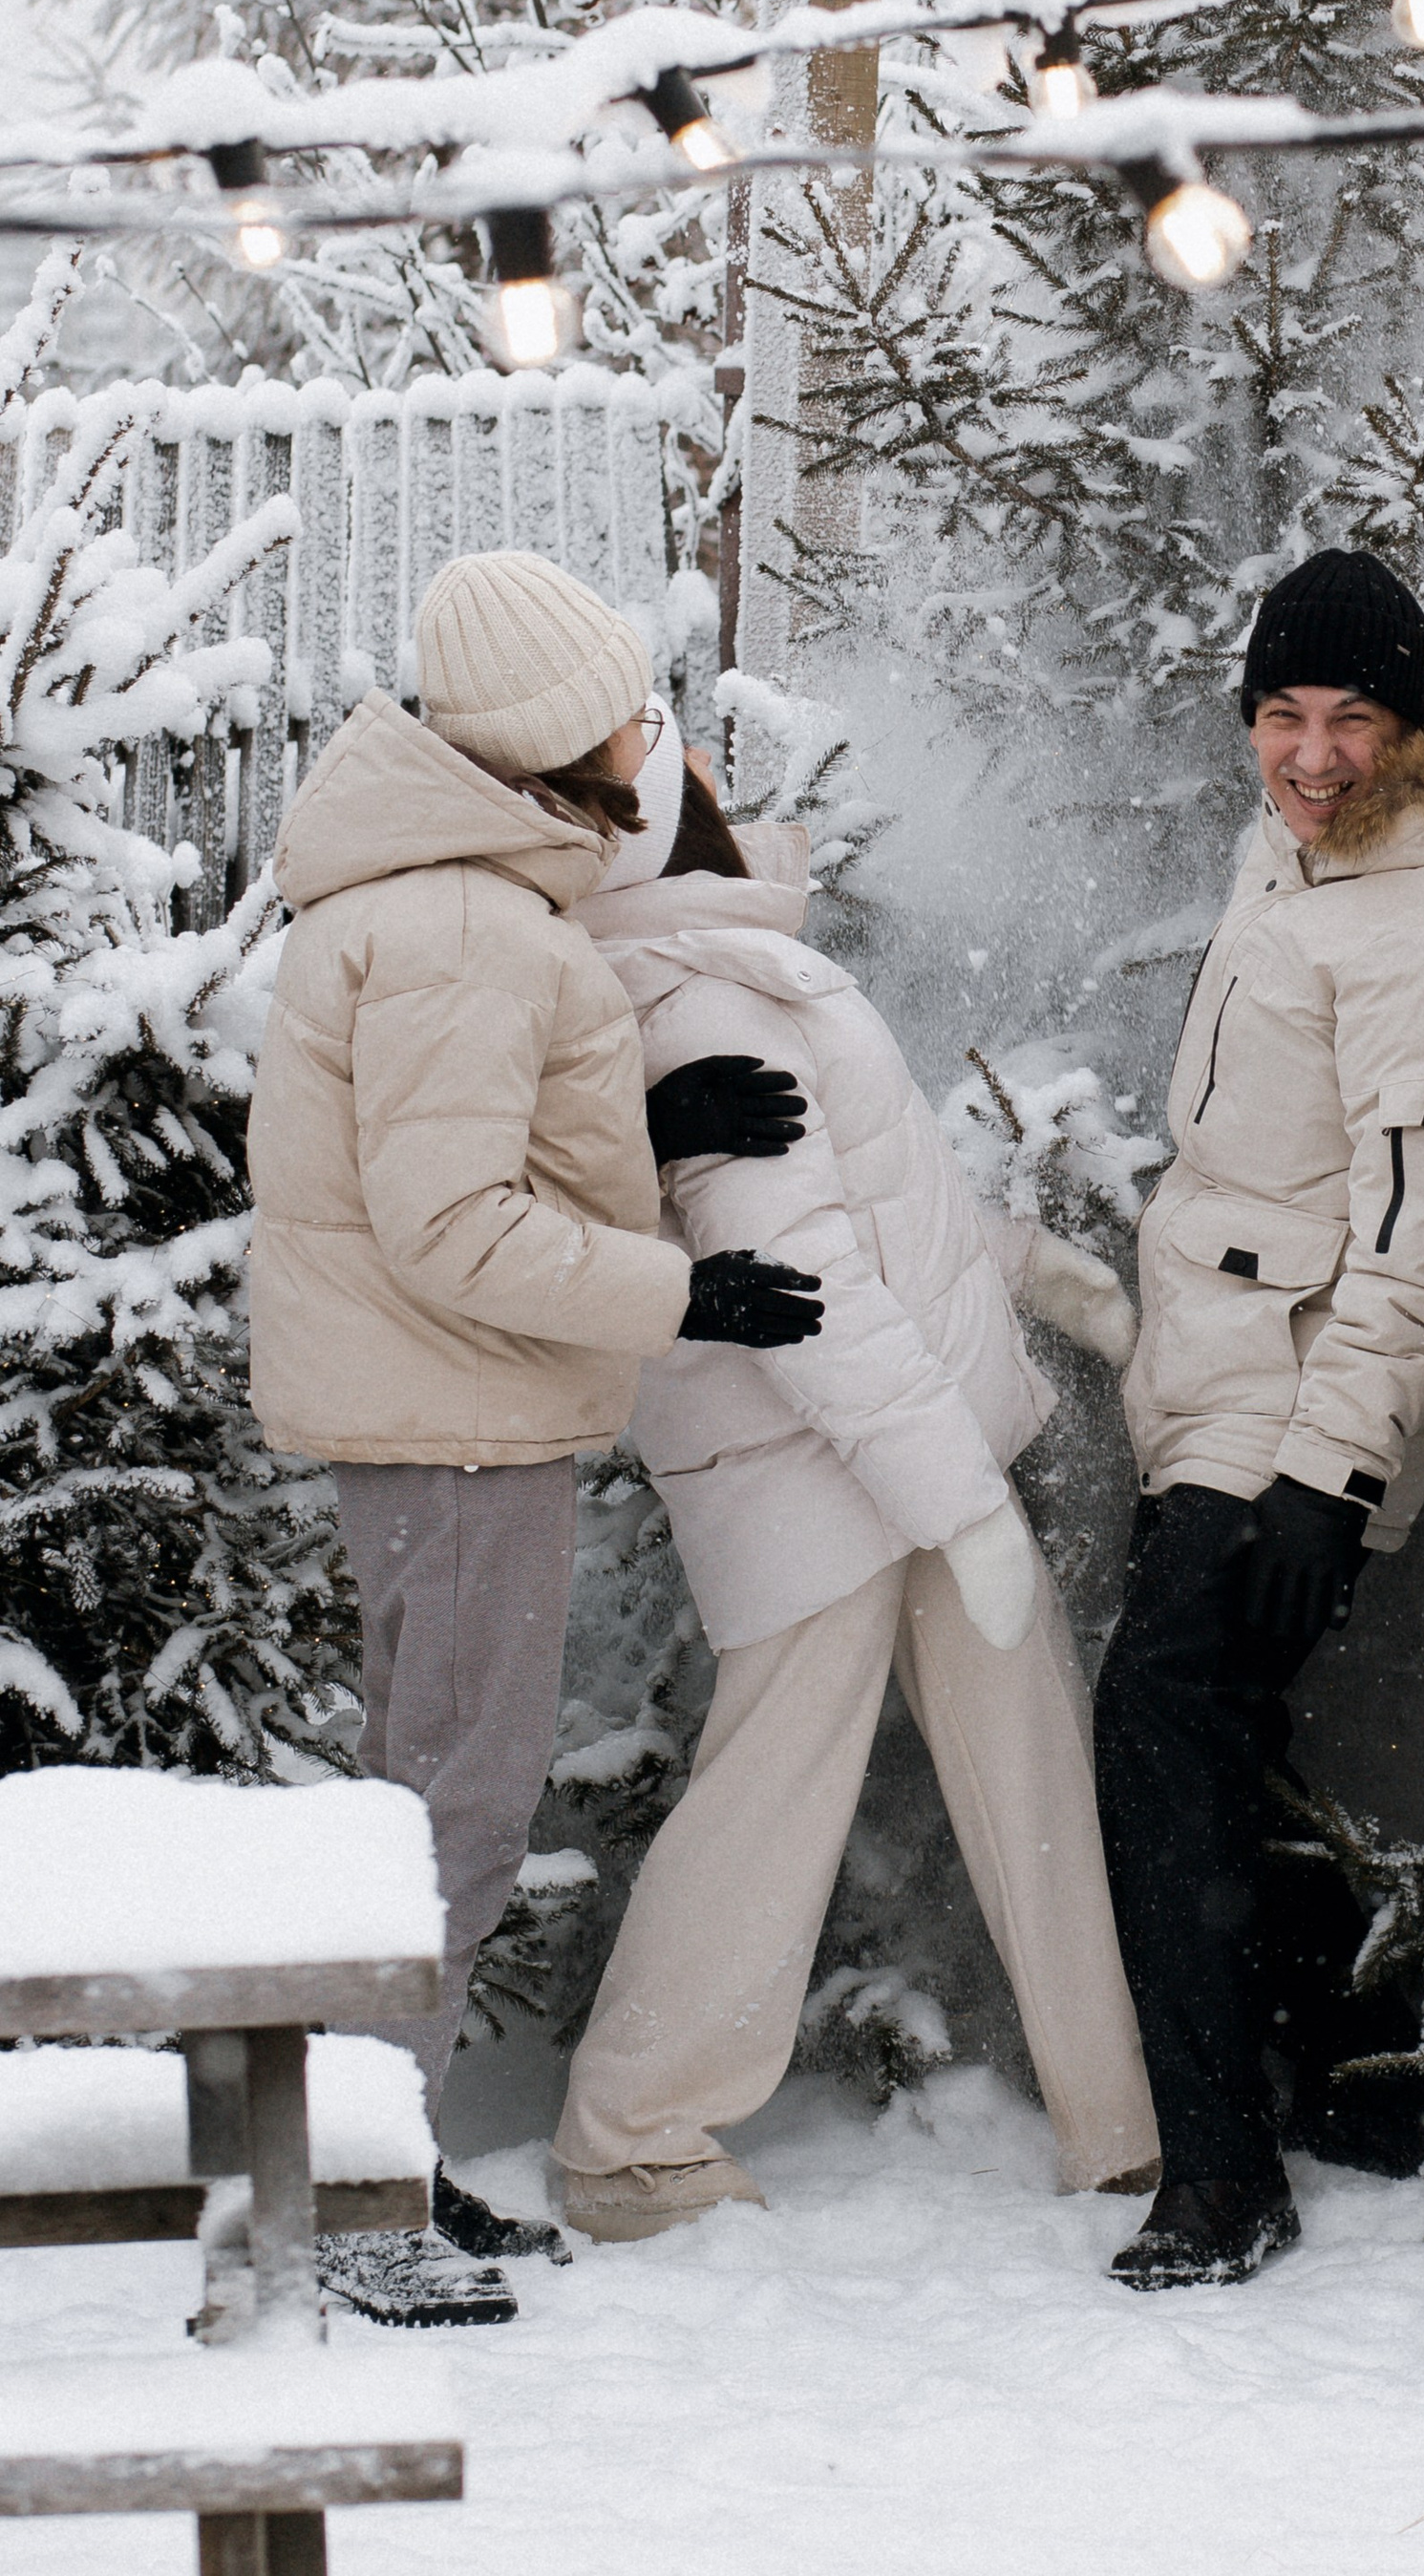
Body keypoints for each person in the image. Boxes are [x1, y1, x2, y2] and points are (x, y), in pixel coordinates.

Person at [247, 551, 823, 2325]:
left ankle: (377, 2157)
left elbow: (474, 1131)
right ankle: (355, 2207)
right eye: (630, 711)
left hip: (441, 1413)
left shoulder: (452, 896)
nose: (651, 737)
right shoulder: (465, 923)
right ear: (559, 740)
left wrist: (652, 1110)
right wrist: (685, 1292)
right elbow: (455, 1225)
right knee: (456, 1812)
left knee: (417, 1800)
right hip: (460, 1420)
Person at [548, 713, 1160, 2239]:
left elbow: (865, 1201)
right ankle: (631, 2136)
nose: (708, 767)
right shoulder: (697, 999)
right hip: (819, 1477)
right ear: (651, 819)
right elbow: (802, 1284)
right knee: (770, 1801)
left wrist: (1021, 1264)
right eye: (669, 759)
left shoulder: (722, 962)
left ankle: (1125, 2120)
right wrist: (960, 1501)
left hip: (902, 1449)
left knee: (1034, 1776)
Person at [1095, 544, 1424, 2289]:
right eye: (1280, 716)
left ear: (1413, 724)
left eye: (1353, 719)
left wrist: (1329, 1471)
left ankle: (1223, 2174)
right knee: (1218, 1733)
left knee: (1159, 1722)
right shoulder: (1319, 854)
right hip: (1234, 1365)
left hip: (1299, 1396)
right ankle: (1352, 2085)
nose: (1310, 756)